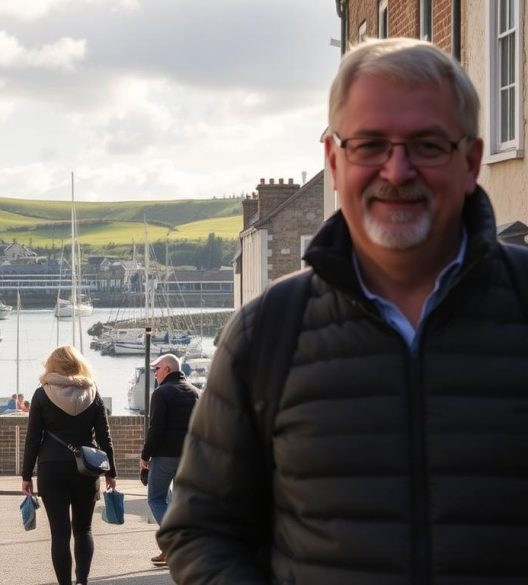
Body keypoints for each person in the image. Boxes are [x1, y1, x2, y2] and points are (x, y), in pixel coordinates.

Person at [159, 37, 528, 584]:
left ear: (470, 161)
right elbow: (201, 529)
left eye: (427, 145)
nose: (397, 171)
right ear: (335, 161)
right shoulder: (265, 335)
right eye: (370, 144)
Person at [21, 345, 117, 585]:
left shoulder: (42, 394)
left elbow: (33, 438)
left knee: (60, 533)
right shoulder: (93, 393)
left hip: (51, 467)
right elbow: (105, 436)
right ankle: (82, 581)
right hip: (86, 468)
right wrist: (111, 472)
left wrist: (26, 475)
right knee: (83, 530)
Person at [139, 353, 198, 567]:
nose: (154, 373)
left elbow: (156, 429)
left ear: (168, 370)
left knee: (156, 498)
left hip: (165, 456)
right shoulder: (195, 392)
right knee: (177, 502)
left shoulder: (161, 393)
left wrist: (145, 455)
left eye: (157, 369)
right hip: (190, 457)